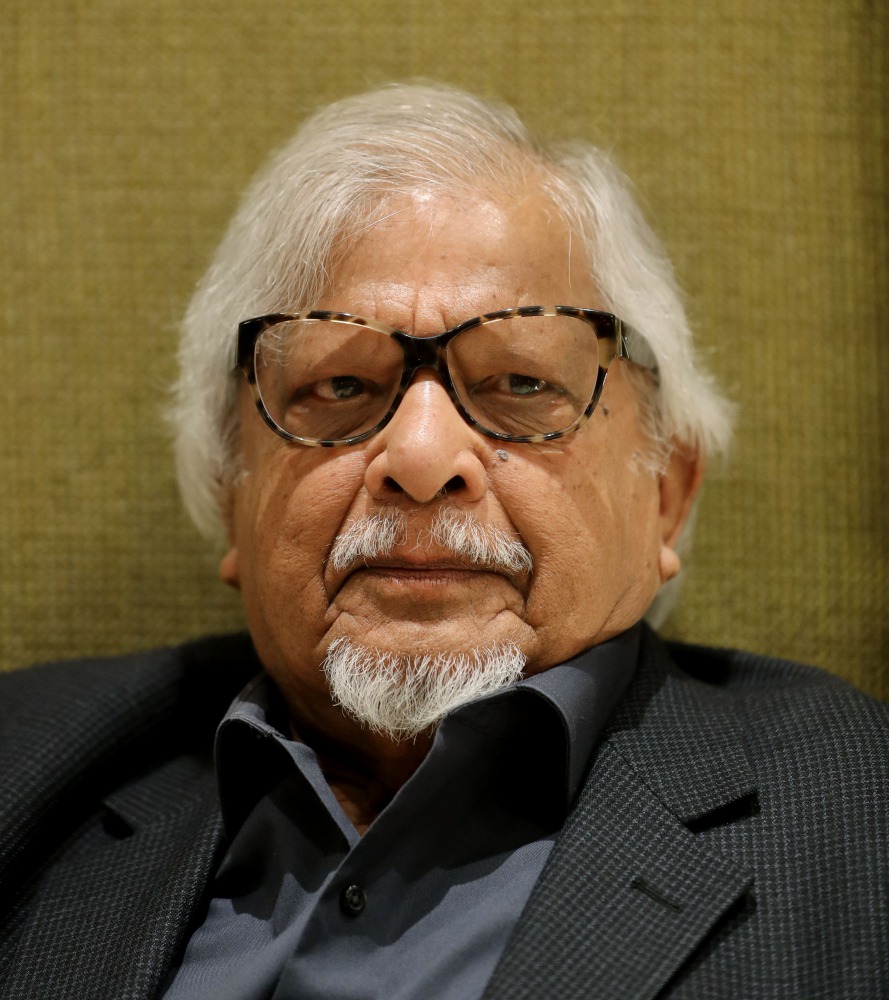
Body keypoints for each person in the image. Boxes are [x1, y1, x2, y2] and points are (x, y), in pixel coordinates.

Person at [1, 83, 886, 1000]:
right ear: (233, 496)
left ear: (665, 492)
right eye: (340, 387)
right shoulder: (25, 763)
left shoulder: (857, 821)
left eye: (518, 381)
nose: (421, 458)